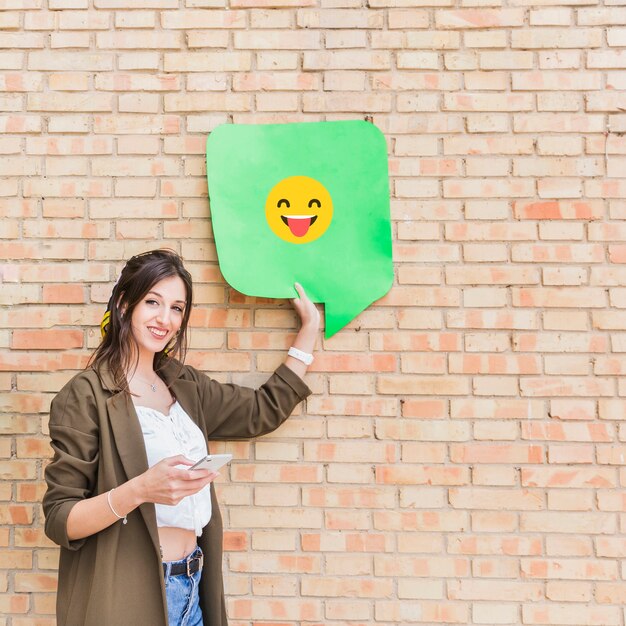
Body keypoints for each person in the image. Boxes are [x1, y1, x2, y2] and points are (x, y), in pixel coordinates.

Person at [43, 249, 320, 626]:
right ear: (124, 305)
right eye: (152, 302)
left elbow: (259, 412)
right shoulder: (87, 395)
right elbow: (61, 519)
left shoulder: (184, 384)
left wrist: (307, 333)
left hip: (192, 588)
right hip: (130, 596)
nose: (165, 318)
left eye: (177, 308)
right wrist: (141, 489)